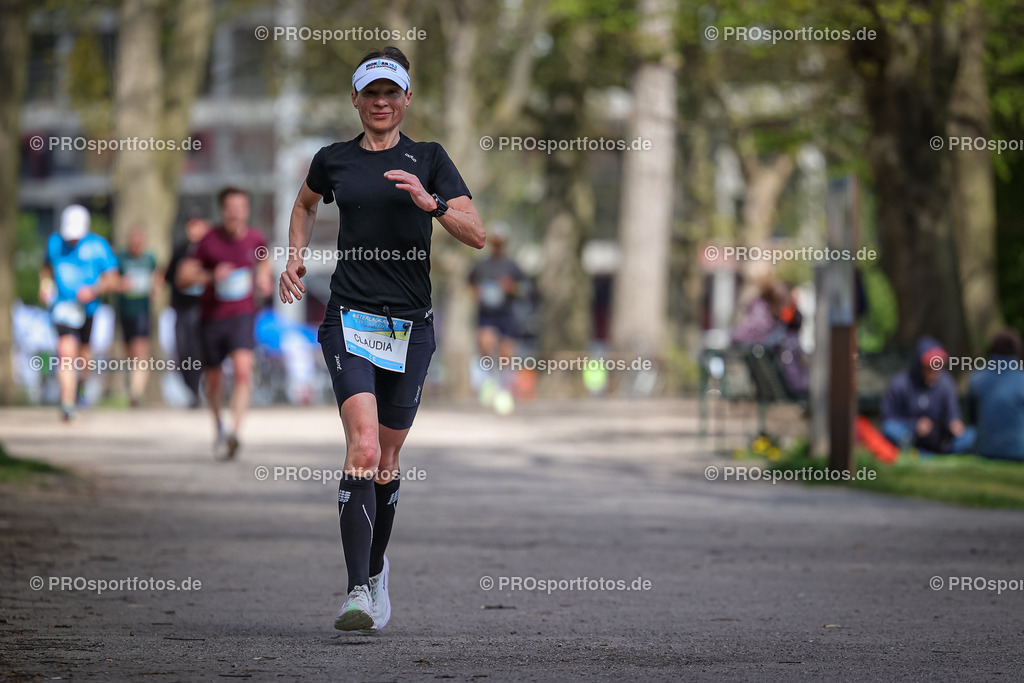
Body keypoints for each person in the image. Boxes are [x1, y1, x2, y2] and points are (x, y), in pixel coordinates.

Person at [278, 46, 484, 632]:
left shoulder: (431, 158)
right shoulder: (333, 159)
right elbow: (304, 204)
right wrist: (294, 256)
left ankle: (374, 570)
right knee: (364, 449)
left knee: (388, 459)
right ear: (355, 99)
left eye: (391, 92)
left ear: (407, 99)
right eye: (371, 93)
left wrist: (431, 203)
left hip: (410, 325)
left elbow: (476, 234)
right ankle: (355, 593)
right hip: (349, 317)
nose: (381, 102)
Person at [177, 187, 271, 460]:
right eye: (230, 209)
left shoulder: (256, 238)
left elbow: (264, 261)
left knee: (243, 370)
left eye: (240, 208)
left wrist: (264, 278)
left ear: (247, 211)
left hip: (242, 314)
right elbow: (183, 277)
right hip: (212, 318)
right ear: (222, 211)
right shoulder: (208, 241)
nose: (235, 214)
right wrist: (210, 276)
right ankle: (219, 425)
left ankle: (235, 432)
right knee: (214, 378)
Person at [39, 205, 119, 421]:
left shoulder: (98, 245)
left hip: (88, 309)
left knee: (84, 356)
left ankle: (80, 387)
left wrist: (94, 290)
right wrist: (45, 286)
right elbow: (46, 269)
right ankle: (67, 402)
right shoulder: (54, 243)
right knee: (66, 352)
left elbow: (113, 278)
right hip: (62, 308)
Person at [881, 336, 975, 454]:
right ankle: (913, 448)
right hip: (910, 434)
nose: (935, 370)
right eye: (930, 366)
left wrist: (954, 424)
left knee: (972, 435)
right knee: (890, 429)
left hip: (940, 437)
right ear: (919, 365)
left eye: (938, 365)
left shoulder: (946, 382)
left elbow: (952, 416)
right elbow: (888, 418)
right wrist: (915, 425)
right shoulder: (900, 384)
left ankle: (932, 450)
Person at [164, 214, 210, 407]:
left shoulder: (211, 250)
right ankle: (192, 391)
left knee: (202, 350)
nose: (194, 230)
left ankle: (202, 389)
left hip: (205, 309)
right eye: (191, 225)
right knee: (184, 351)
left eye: (198, 225)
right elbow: (168, 277)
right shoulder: (180, 250)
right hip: (182, 309)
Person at [116, 226, 161, 407]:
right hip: (125, 311)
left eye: (139, 242)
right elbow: (111, 279)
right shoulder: (120, 259)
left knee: (141, 350)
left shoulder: (149, 259)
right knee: (129, 353)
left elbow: (157, 276)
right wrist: (121, 284)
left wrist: (155, 288)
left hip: (143, 311)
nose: (136, 245)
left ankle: (136, 393)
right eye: (133, 242)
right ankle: (130, 387)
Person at [967, 329, 1024, 461]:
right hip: (1018, 451)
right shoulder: (1021, 380)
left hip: (984, 450)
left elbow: (972, 419)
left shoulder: (977, 378)